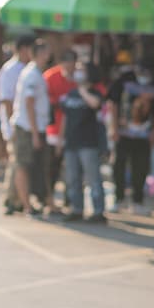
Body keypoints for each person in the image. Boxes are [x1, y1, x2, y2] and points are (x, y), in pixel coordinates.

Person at [108, 57, 154, 216]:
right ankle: (118, 199)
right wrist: (114, 127)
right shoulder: (124, 79)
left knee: (141, 168)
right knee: (118, 166)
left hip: (144, 135)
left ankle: (137, 202)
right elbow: (113, 103)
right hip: (123, 133)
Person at [59, 62, 106, 223]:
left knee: (93, 178)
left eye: (82, 70)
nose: (78, 72)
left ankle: (98, 211)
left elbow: (95, 104)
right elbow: (65, 117)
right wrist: (61, 139)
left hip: (89, 143)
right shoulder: (70, 94)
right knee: (72, 178)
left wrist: (83, 91)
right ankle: (76, 208)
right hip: (71, 142)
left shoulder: (95, 93)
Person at [11, 39, 52, 217]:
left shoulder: (37, 73)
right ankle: (26, 204)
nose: (48, 55)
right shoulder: (31, 74)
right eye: (45, 52)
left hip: (34, 128)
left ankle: (33, 201)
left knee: (35, 166)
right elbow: (29, 104)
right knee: (23, 165)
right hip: (27, 128)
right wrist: (35, 133)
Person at [0, 35, 35, 215]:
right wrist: (12, 124)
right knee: (16, 162)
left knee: (17, 162)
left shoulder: (27, 68)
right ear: (22, 49)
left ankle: (16, 198)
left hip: (24, 123)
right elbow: (7, 101)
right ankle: (11, 199)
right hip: (14, 123)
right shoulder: (10, 70)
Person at [44, 49, 78, 213]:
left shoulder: (79, 78)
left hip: (74, 131)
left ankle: (69, 200)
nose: (70, 67)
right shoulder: (50, 77)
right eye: (67, 62)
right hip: (53, 130)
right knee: (52, 167)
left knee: (72, 169)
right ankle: (48, 199)